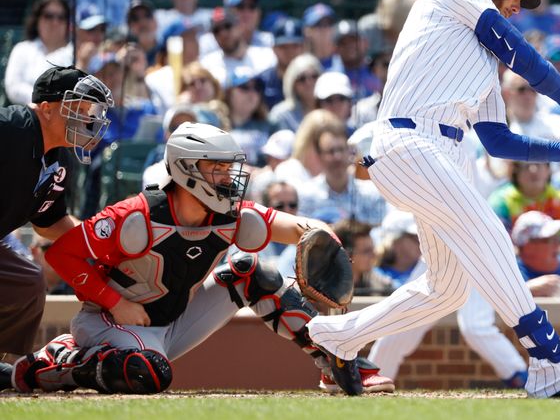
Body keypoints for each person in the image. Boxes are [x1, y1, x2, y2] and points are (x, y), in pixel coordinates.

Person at [305, 0, 560, 398]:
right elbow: (522, 54)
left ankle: (339, 337)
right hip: (407, 140)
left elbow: (499, 141)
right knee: (490, 232)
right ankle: (550, 362)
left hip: (441, 152)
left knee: (447, 289)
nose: (518, 3)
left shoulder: (479, 59)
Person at [5, 123, 391, 394]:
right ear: (188, 170)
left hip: (172, 323)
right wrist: (116, 302)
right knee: (148, 374)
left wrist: (324, 236)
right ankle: (59, 360)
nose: (228, 177)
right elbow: (63, 254)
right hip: (109, 322)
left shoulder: (229, 214)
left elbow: (297, 228)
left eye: (228, 168)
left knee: (252, 272)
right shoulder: (135, 216)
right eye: (217, 169)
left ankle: (337, 361)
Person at [0, 67, 112, 357]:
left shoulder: (60, 157)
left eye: (90, 110)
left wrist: (104, 244)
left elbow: (48, 223)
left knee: (27, 283)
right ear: (47, 109)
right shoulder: (11, 127)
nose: (88, 118)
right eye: (78, 109)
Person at [4, 0, 70, 105]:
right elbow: (13, 86)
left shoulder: (75, 53)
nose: (55, 22)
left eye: (61, 17)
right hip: (27, 118)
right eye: (48, 16)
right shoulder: (22, 49)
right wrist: (42, 99)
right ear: (37, 19)